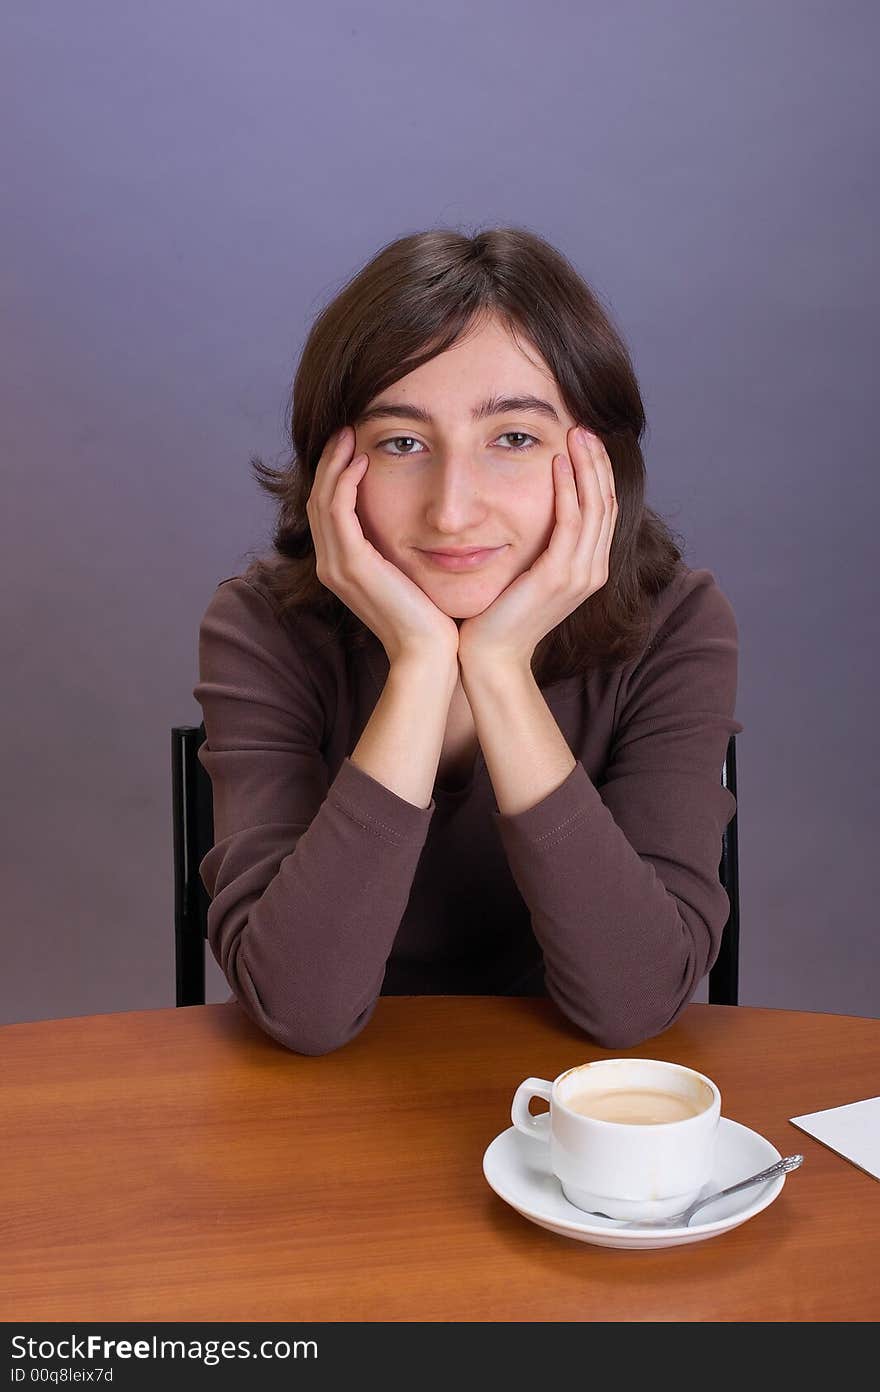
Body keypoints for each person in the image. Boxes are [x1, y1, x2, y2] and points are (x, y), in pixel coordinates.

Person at [193, 225, 742, 1056]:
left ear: (599, 460)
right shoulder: (261, 629)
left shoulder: (679, 626)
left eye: (513, 438)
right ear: (333, 469)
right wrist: (420, 667)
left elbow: (634, 1003)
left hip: (572, 1101)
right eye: (402, 442)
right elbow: (299, 1009)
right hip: (320, 1111)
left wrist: (497, 667)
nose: (452, 509)